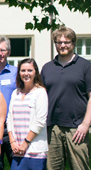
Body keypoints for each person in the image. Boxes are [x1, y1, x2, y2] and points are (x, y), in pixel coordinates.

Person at [41, 26, 91, 170]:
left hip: (76, 128)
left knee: (79, 167)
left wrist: (85, 125)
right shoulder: (47, 68)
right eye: (59, 42)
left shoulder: (85, 66)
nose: (63, 45)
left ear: (73, 43)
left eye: (67, 42)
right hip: (52, 128)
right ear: (55, 44)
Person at [7, 59, 48, 170]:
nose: (26, 73)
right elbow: (9, 119)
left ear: (35, 72)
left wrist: (25, 143)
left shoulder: (40, 92)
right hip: (17, 150)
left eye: (30, 70)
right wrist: (12, 142)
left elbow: (40, 121)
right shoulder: (15, 93)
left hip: (35, 150)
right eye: (23, 70)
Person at [0, 36, 17, 164]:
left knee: (16, 163)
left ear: (9, 52)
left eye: (2, 50)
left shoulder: (17, 73)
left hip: (13, 127)